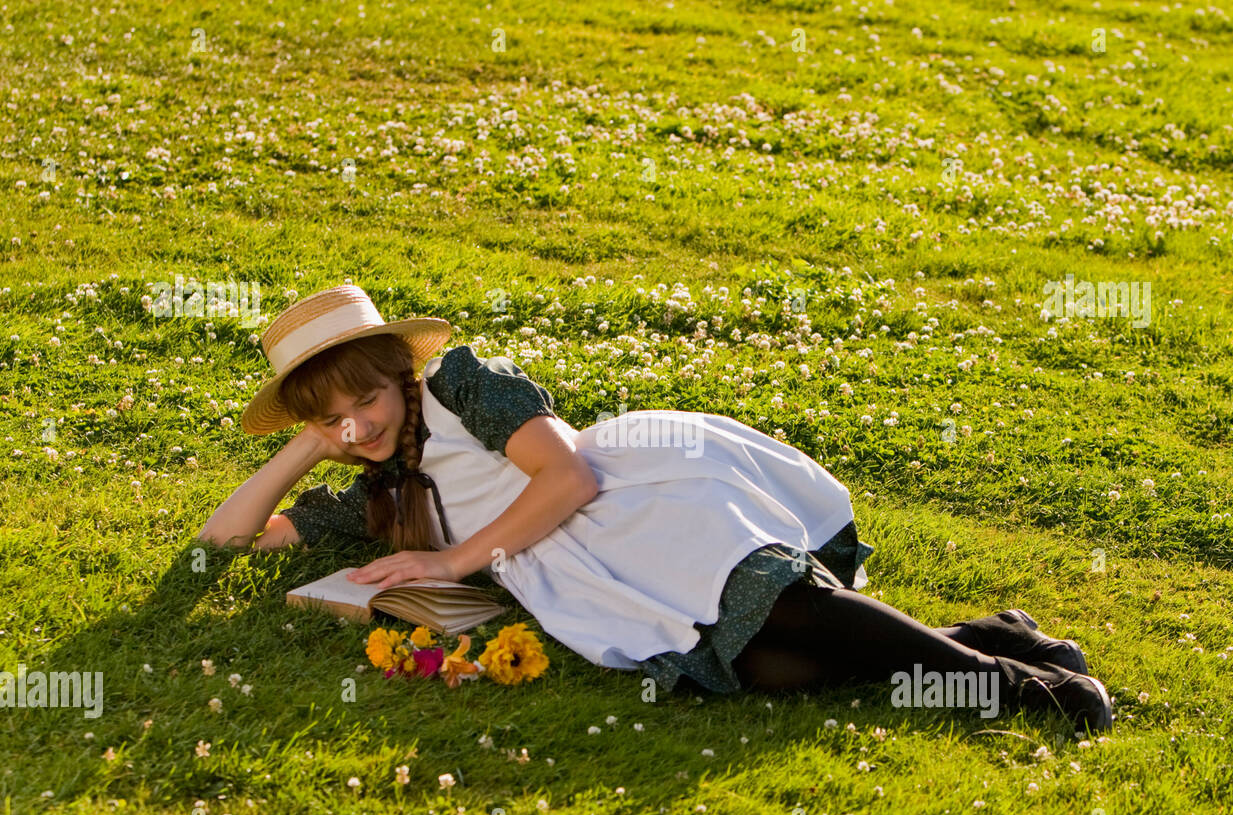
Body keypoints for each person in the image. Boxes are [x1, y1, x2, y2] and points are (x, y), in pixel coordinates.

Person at [199, 284, 1113, 731]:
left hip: (632, 503)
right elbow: (226, 541)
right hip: (582, 570)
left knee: (786, 606)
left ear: (396, 372)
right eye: (332, 416)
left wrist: (449, 563)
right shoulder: (376, 490)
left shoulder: (463, 389)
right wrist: (305, 445)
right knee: (771, 670)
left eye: (363, 400)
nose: (354, 424)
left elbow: (568, 481)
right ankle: (993, 635)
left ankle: (1017, 690)